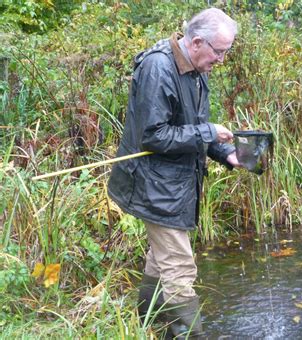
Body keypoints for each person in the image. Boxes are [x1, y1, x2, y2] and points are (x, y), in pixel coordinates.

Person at [107, 7, 239, 338]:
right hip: (153, 184)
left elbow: (192, 129)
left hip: (175, 185)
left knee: (160, 259)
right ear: (197, 42)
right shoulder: (158, 67)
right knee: (179, 267)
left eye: (225, 51)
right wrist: (209, 132)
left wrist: (228, 154)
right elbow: (154, 135)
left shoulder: (197, 68)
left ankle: (148, 323)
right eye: (219, 51)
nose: (221, 60)